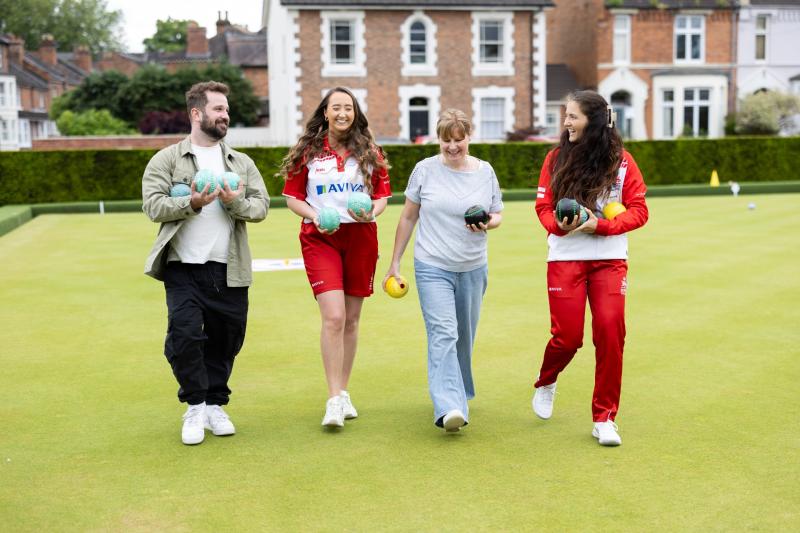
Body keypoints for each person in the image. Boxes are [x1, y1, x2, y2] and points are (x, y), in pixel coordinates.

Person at [142, 81, 269, 445]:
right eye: (218, 109)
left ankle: (216, 403)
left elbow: (260, 206)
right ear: (196, 114)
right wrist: (193, 203)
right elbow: (152, 206)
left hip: (228, 267)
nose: (225, 115)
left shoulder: (240, 163)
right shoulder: (167, 159)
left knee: (227, 338)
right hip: (183, 266)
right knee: (184, 337)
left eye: (226, 110)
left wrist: (233, 203)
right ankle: (194, 405)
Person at [531, 90, 648, 446]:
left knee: (611, 332)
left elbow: (639, 211)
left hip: (610, 258)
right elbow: (544, 209)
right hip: (565, 257)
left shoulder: (623, 161)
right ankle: (547, 380)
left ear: (593, 122)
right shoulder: (554, 159)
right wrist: (560, 226)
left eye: (572, 117)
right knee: (568, 338)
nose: (566, 123)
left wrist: (600, 226)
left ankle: (605, 418)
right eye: (565, 116)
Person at [383, 109, 503, 433]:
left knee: (464, 337)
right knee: (444, 333)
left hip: (473, 267)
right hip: (432, 265)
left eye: (458, 139)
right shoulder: (424, 170)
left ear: (468, 137)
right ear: (438, 139)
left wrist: (486, 223)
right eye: (446, 140)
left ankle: (458, 392)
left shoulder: (485, 171)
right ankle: (449, 406)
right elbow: (408, 217)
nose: (452, 147)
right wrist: (395, 262)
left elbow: (497, 214)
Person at [279, 87, 391, 428]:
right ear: (325, 112)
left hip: (361, 238)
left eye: (348, 107)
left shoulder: (371, 151)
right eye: (336, 107)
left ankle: (343, 392)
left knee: (352, 320)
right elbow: (292, 198)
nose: (342, 113)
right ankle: (332, 400)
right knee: (334, 317)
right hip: (320, 239)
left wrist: (371, 213)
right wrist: (314, 215)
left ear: (355, 113)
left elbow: (383, 196)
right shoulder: (308, 152)